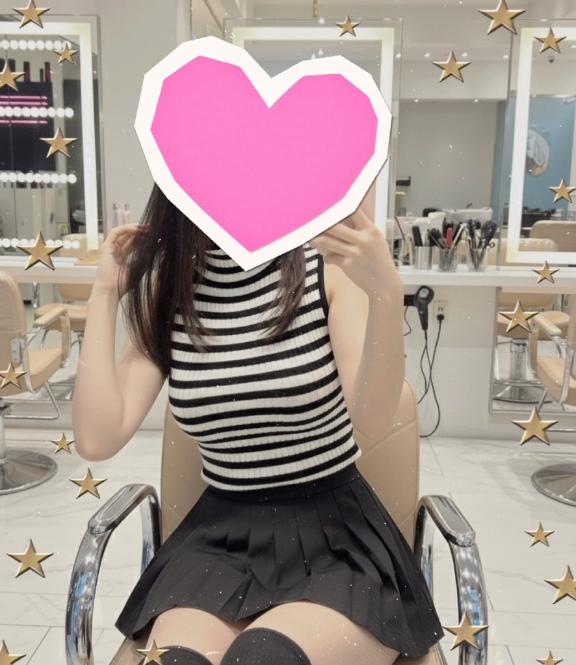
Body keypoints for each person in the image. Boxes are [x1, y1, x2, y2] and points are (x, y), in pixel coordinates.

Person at [72, 183, 444, 665]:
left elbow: (373, 418)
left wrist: (385, 293)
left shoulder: (326, 271)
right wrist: (104, 294)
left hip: (336, 541)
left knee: (264, 657)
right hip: (220, 540)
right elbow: (97, 438)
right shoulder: (173, 295)